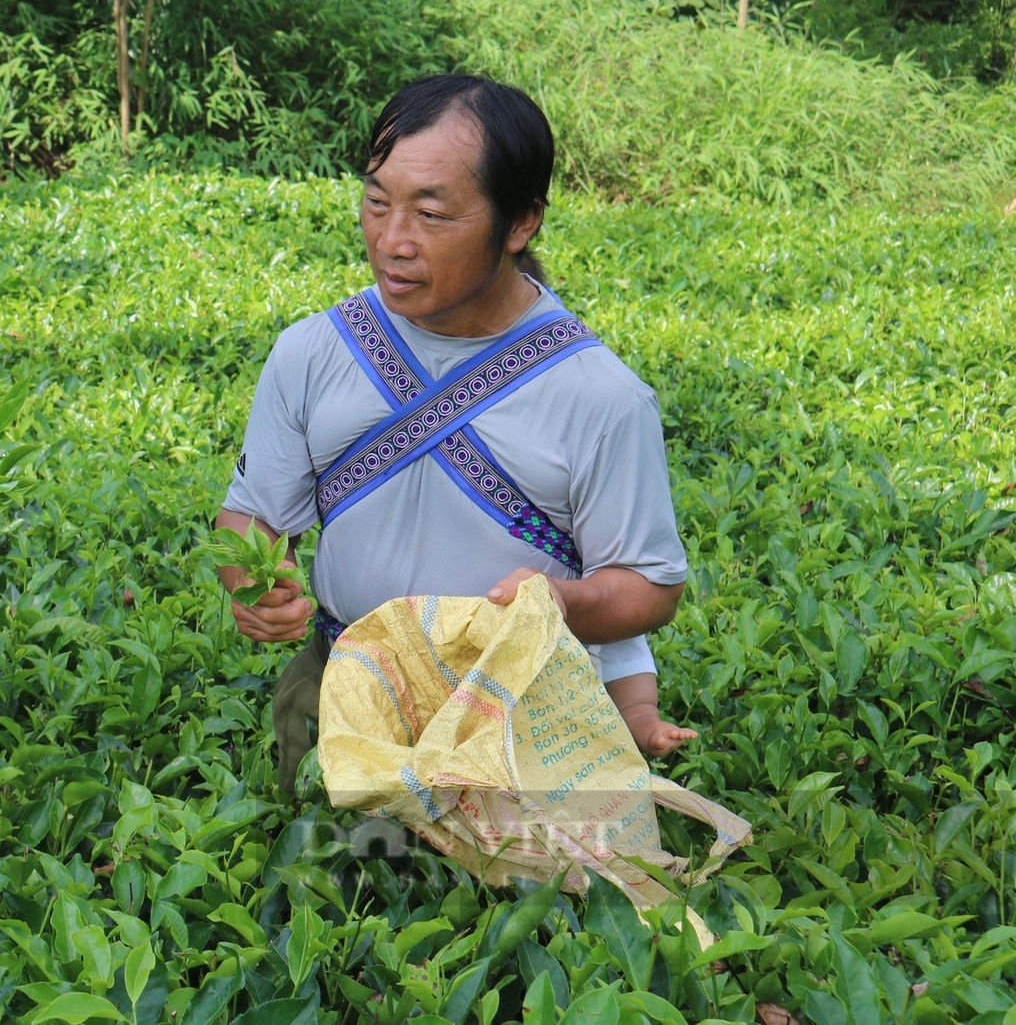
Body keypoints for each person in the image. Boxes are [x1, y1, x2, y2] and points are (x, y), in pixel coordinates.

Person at [213, 73, 696, 800]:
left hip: (520, 714)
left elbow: (650, 586)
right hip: (348, 691)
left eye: (432, 216)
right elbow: (251, 515)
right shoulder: (313, 352)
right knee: (329, 890)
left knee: (522, 906)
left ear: (520, 223)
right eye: (377, 204)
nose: (393, 241)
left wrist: (565, 602)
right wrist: (253, 582)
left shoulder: (601, 396)